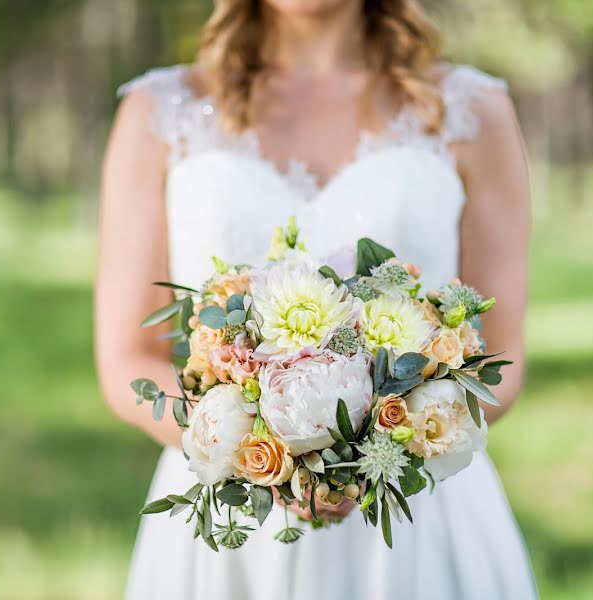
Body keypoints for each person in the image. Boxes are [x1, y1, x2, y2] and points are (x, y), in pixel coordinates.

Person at [95, 0, 535, 597]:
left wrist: (377, 455)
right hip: (233, 521)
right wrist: (260, 455)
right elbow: (128, 358)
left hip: (416, 517)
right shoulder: (159, 114)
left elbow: (501, 356)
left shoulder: (472, 112)